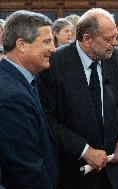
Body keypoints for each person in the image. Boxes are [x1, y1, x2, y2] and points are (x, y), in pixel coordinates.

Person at [38, 8, 118, 189]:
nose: (115, 43)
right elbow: (47, 119)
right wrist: (84, 150)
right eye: (108, 39)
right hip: (73, 170)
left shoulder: (116, 56)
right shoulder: (54, 64)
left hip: (112, 169)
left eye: (116, 36)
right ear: (87, 39)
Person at [0, 10, 58, 189]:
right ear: (22, 45)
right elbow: (25, 170)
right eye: (47, 41)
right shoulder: (12, 96)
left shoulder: (24, 79)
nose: (53, 49)